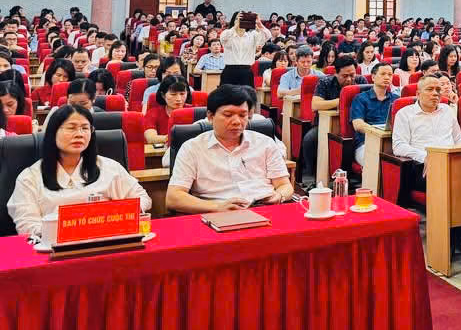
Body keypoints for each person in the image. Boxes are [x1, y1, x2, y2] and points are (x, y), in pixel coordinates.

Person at [7, 103, 151, 237]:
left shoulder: (109, 168)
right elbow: (27, 226)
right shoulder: (30, 177)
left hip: (106, 242)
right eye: (71, 128)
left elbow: (143, 199)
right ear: (53, 132)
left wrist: (112, 215)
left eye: (85, 128)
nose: (79, 134)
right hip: (54, 247)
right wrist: (71, 229)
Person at [166, 85, 291, 213]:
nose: (237, 121)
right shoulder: (192, 148)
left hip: (266, 208)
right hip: (218, 212)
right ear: (210, 116)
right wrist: (217, 207)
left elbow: (284, 185)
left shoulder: (265, 143)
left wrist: (279, 195)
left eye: (242, 115)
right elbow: (173, 198)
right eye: (228, 115)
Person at [390, 75, 461, 254]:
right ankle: (447, 242)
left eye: (438, 90)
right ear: (418, 93)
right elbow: (398, 146)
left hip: (451, 162)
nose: (435, 93)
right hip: (421, 166)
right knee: (451, 184)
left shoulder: (447, 111)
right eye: (430, 89)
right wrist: (427, 156)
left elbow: (458, 139)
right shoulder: (405, 114)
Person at [347, 62, 398, 164]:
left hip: (391, 143)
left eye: (390, 74)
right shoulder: (360, 98)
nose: (387, 77)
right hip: (366, 143)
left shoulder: (396, 99)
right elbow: (358, 125)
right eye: (383, 74)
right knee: (376, 162)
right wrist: (378, 133)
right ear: (373, 77)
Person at [219, 12, 271, 87]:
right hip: (229, 70)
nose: (240, 21)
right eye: (237, 19)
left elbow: (268, 36)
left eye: (242, 19)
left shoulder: (252, 35)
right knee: (227, 93)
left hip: (246, 71)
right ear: (233, 21)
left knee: (247, 93)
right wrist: (236, 26)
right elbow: (223, 38)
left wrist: (259, 24)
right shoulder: (227, 33)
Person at [143, 75, 189, 144]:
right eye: (173, 94)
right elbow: (150, 138)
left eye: (182, 94)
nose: (179, 99)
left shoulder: (194, 112)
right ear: (163, 95)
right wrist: (171, 138)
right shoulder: (153, 113)